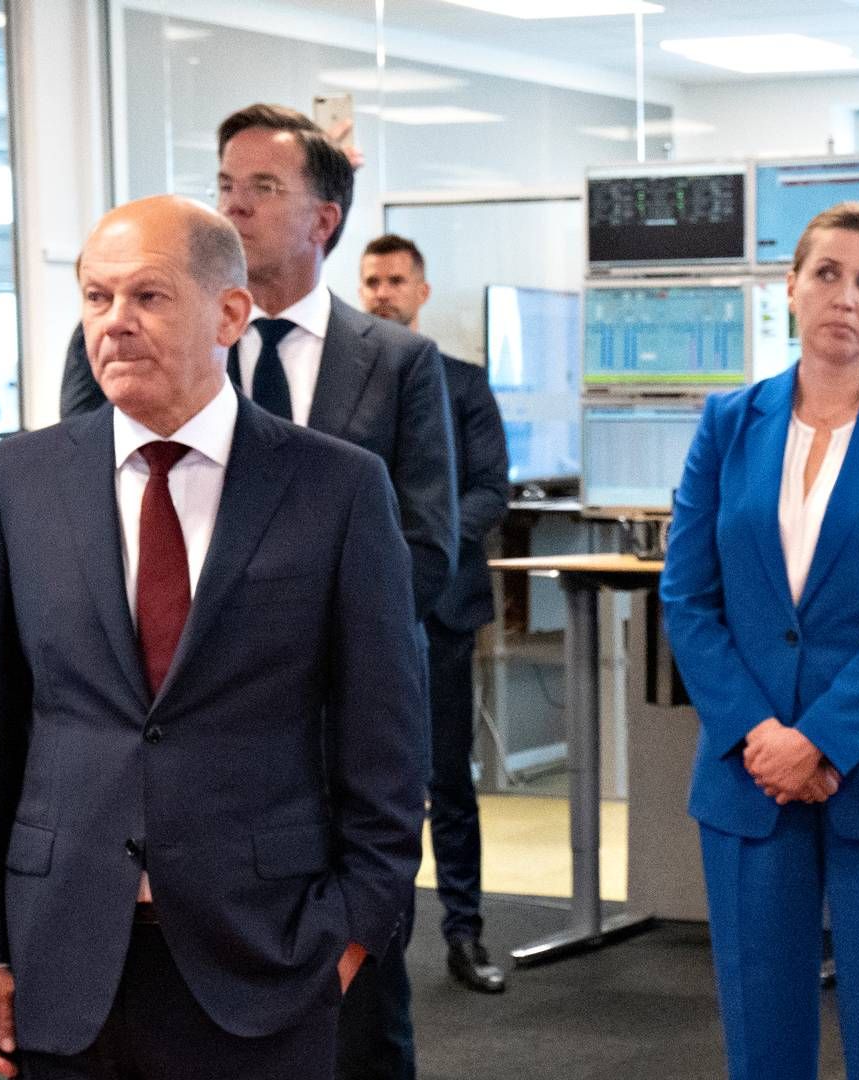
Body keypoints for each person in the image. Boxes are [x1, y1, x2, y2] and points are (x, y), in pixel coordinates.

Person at [0, 195, 426, 1079]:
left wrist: (353, 930)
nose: (114, 324)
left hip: (268, 957)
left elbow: (385, 736)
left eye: (148, 297)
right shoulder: (21, 480)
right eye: (96, 298)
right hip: (61, 957)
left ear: (230, 314)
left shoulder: (337, 489)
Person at [61, 105, 455, 1080]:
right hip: (162, 798)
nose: (233, 203)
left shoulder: (396, 362)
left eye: (262, 188)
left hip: (328, 766)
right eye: (225, 184)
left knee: (354, 1036)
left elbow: (425, 547)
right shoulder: (134, 344)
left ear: (325, 216)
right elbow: (91, 523)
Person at [660, 201, 859, 1080]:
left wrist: (821, 741)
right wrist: (763, 736)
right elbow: (687, 596)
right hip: (749, 770)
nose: (845, 296)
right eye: (827, 274)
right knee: (763, 1043)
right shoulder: (730, 425)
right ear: (790, 287)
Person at [359, 233, 512, 995]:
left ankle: (466, 931)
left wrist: (416, 545)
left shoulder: (461, 384)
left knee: (448, 778)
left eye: (395, 280)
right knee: (358, 782)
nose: (382, 292)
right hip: (350, 611)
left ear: (422, 291)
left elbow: (490, 490)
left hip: (438, 607)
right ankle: (367, 936)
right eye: (371, 281)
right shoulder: (344, 383)